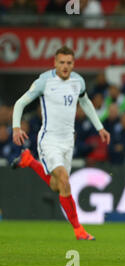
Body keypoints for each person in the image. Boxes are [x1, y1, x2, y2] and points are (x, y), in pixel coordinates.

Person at [10, 46, 110, 241]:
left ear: (73, 64)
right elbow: (20, 103)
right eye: (61, 62)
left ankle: (29, 161)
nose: (65, 66)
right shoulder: (44, 82)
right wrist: (16, 128)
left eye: (69, 63)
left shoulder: (78, 81)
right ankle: (78, 229)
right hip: (49, 140)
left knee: (57, 186)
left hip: (67, 142)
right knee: (64, 181)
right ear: (55, 63)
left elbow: (86, 102)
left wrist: (99, 127)